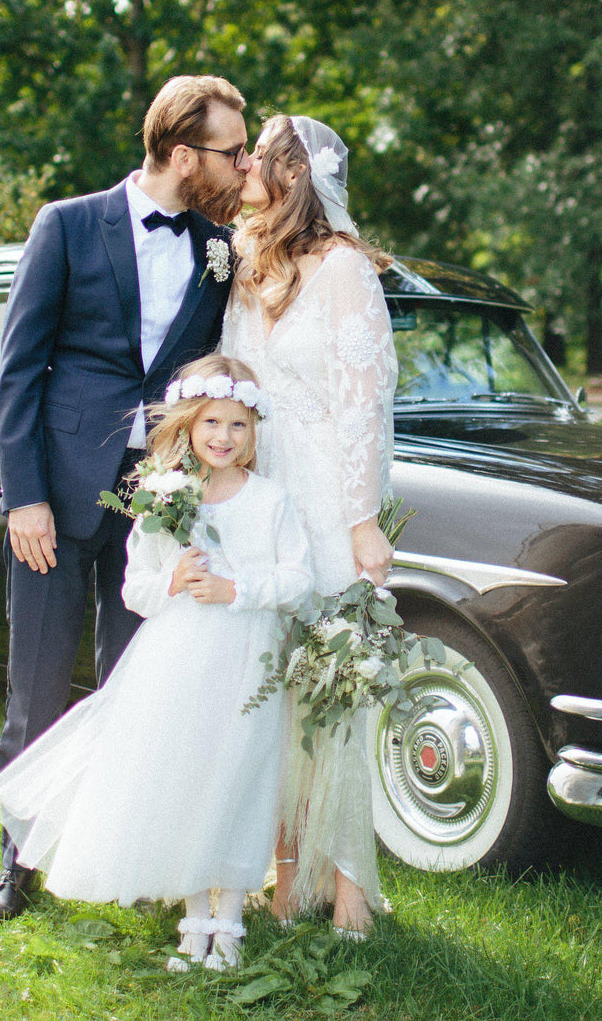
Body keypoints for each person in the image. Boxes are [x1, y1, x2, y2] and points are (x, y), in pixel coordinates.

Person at [0, 75, 254, 923]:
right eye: (230, 151)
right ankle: (15, 869)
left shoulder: (221, 248)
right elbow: (19, 371)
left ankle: (128, 858)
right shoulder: (66, 224)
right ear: (180, 153)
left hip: (159, 503)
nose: (241, 166)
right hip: (56, 498)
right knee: (38, 683)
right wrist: (24, 497)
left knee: (138, 685)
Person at [0, 355, 314, 972]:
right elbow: (134, 588)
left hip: (246, 661)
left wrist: (236, 588)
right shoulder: (167, 497)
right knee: (187, 774)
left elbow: (298, 579)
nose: (224, 436)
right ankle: (194, 915)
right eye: (213, 422)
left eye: (239, 425)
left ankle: (232, 915)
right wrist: (174, 581)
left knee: (237, 774)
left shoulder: (270, 502)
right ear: (189, 425)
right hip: (179, 661)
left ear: (255, 432)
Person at [219, 114, 397, 938]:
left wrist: (363, 522)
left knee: (336, 687)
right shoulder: (253, 264)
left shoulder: (346, 272)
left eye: (259, 151)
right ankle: (286, 880)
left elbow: (365, 404)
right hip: (263, 498)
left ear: (293, 176)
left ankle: (352, 887)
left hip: (326, 496)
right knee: (277, 690)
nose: (246, 160)